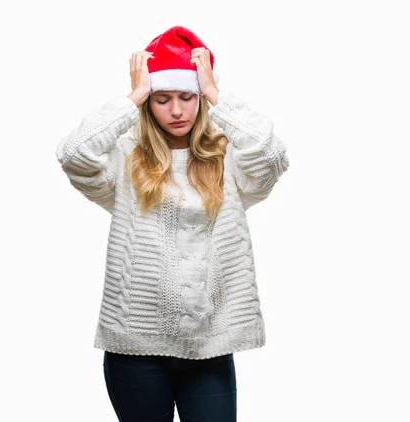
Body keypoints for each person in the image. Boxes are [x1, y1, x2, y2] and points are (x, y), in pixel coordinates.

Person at [55, 25, 289, 422]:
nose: (177, 111)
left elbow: (271, 155)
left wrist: (216, 94)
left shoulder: (228, 155)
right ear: (148, 102)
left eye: (187, 97)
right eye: (162, 99)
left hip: (208, 346)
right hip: (135, 346)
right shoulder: (126, 158)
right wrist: (131, 99)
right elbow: (74, 154)